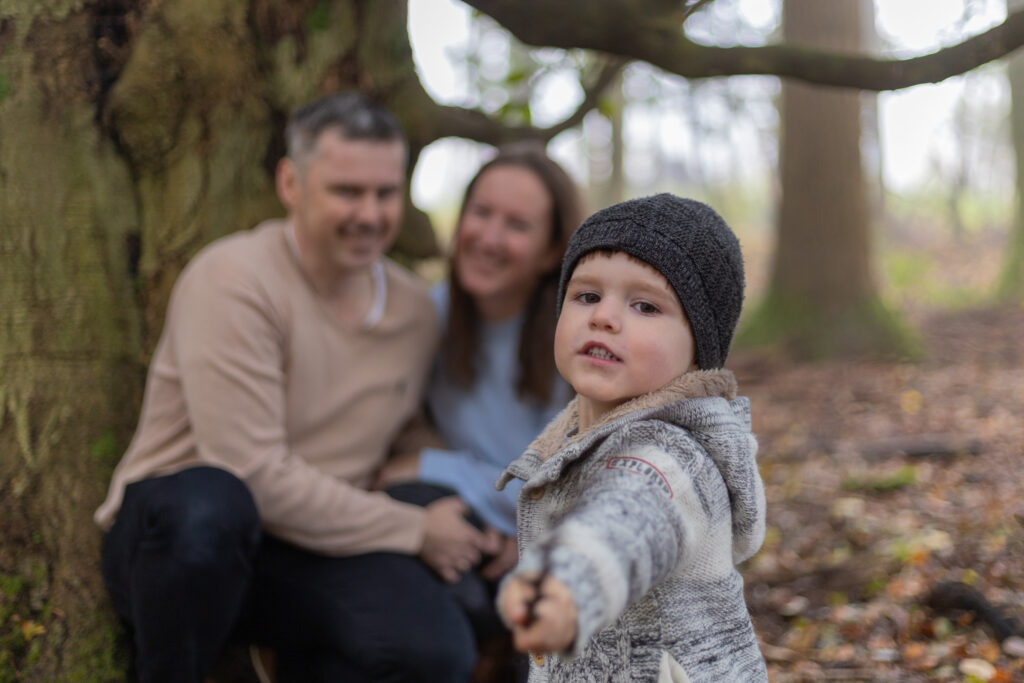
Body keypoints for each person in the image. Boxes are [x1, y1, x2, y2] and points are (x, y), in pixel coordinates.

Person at [95, 92, 495, 682]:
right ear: (290, 184)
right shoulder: (234, 280)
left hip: (311, 547)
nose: (370, 213)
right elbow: (251, 472)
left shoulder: (413, 309)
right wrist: (414, 530)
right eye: (346, 191)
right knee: (212, 505)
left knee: (434, 649)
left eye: (385, 193)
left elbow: (401, 418)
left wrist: (453, 495)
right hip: (181, 548)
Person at [495, 194, 769, 682]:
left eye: (645, 305)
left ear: (698, 348)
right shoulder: (575, 439)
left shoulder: (673, 458)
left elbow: (628, 519)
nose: (604, 317)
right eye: (587, 296)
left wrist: (567, 585)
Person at [374, 145, 583, 669]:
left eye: (517, 225)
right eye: (481, 213)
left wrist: (527, 535)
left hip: (553, 549)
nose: (488, 238)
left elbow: (584, 485)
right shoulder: (432, 316)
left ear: (551, 249)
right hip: (467, 533)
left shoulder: (578, 338)